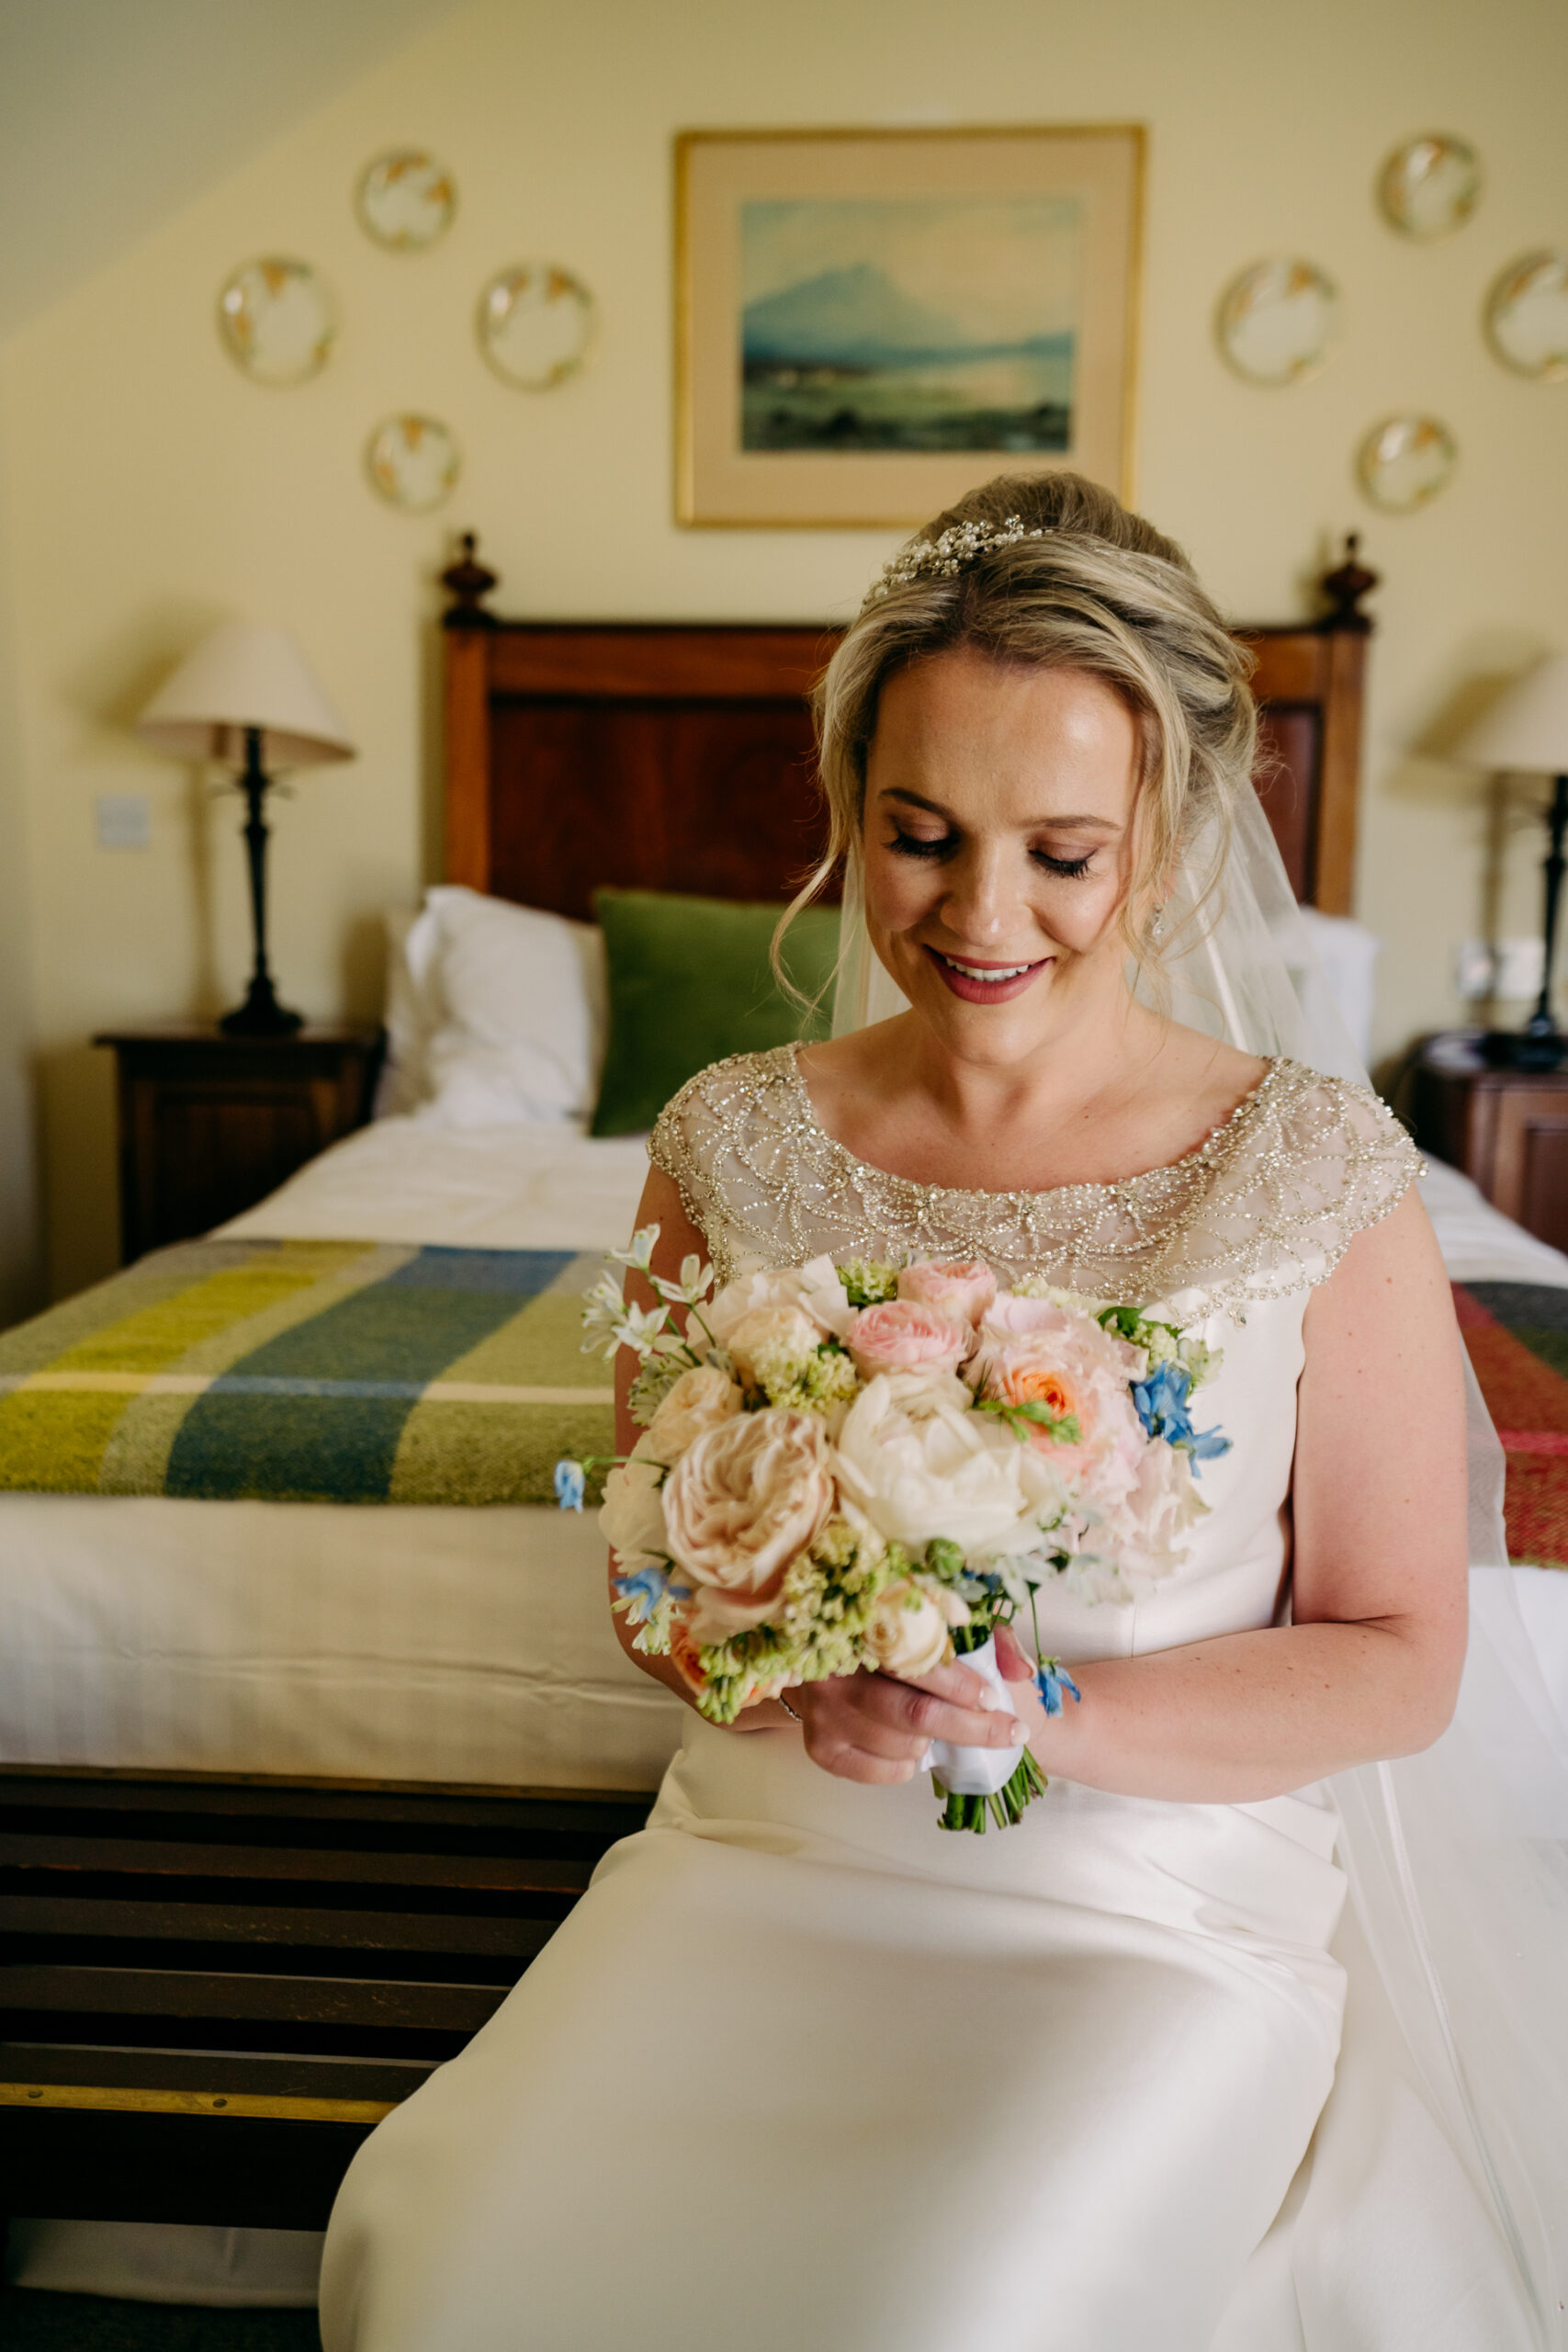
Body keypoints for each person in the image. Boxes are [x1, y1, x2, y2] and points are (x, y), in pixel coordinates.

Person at [320, 474, 1548, 2350]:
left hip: (1138, 1902)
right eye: (918, 834)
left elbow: (1392, 1656)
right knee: (452, 2255)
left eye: (1063, 851)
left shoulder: (1312, 1167)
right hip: (763, 1852)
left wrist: (1044, 1711)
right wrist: (780, 1670)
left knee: (950, 2307)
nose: (980, 912)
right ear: (844, 808)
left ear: (1178, 831)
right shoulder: (729, 1135)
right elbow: (654, 1580)